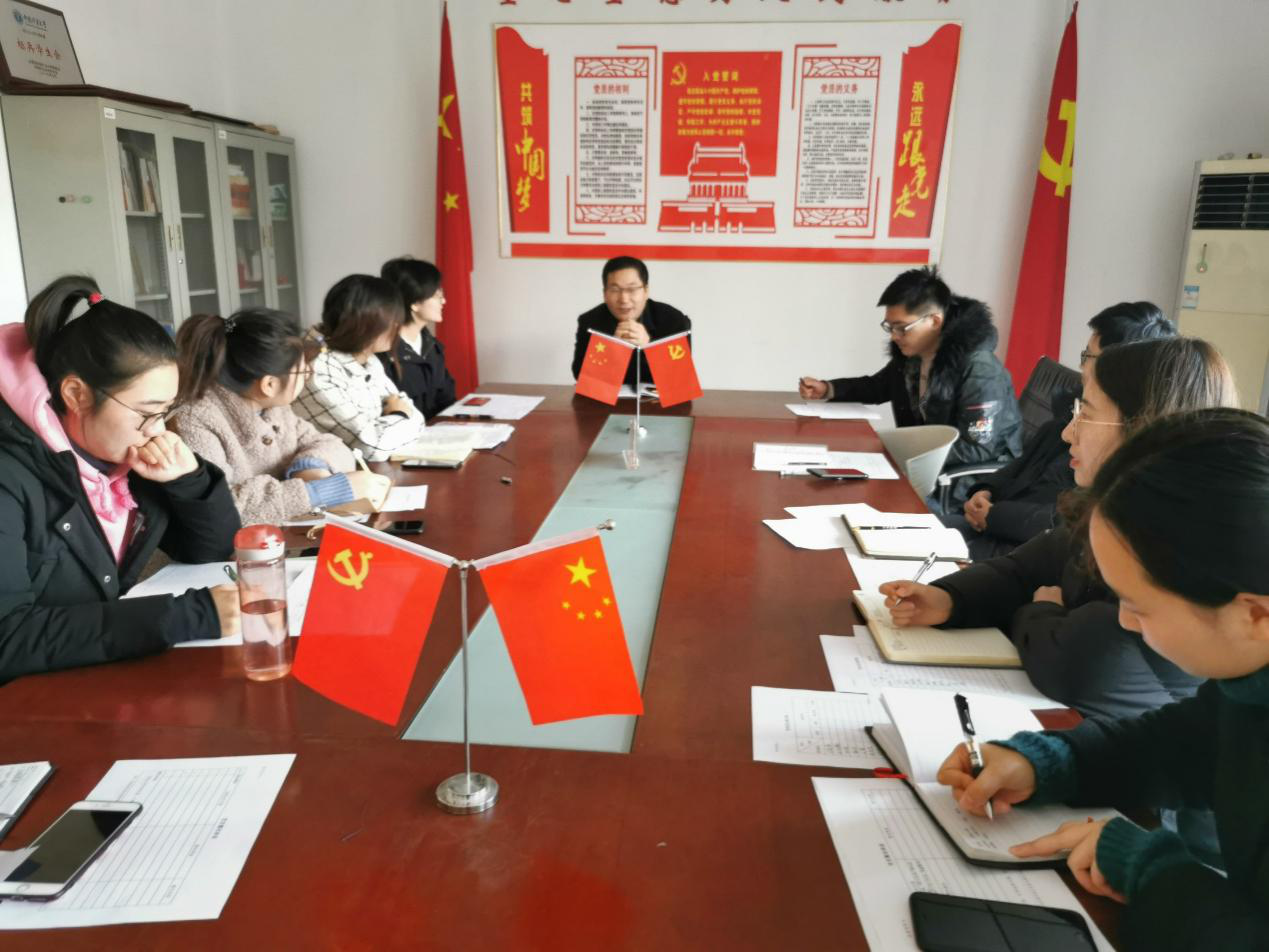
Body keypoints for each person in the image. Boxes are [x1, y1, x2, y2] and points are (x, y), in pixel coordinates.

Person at [937, 408, 1269, 951]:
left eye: (1139, 606)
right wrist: (1047, 762)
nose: (1126, 623)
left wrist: (1146, 867)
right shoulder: (1249, 681)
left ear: (1254, 615)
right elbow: (1179, 745)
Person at [879, 337, 1238, 719]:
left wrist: (1040, 612)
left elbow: (1085, 664)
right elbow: (1023, 569)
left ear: (1142, 427)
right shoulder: (1108, 508)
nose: (1068, 433)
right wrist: (950, 599)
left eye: (1087, 413)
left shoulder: (1181, 543)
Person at [0, 276, 241, 683]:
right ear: (76, 394)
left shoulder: (120, 455)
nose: (157, 429)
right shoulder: (11, 474)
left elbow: (211, 551)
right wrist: (182, 617)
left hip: (88, 677)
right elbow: (8, 638)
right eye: (146, 413)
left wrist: (189, 481)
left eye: (166, 410)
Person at [945, 302, 1177, 560]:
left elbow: (1064, 520)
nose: (1082, 367)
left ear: (1123, 369)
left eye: (1089, 357)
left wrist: (994, 515)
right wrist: (985, 489)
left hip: (1022, 546)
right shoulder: (1068, 410)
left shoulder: (1121, 450)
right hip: (993, 528)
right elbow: (1021, 463)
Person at [799, 266, 1022, 491]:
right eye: (890, 327)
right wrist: (828, 388)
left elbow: (978, 448)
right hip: (922, 467)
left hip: (970, 484)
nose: (894, 337)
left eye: (902, 328)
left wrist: (905, 454)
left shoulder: (980, 370)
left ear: (934, 321)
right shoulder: (914, 354)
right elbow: (878, 386)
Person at [170, 309, 386, 526]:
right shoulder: (196, 419)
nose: (309, 374)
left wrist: (310, 467)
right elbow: (223, 508)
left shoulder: (273, 408)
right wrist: (317, 492)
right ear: (269, 385)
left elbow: (327, 443)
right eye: (302, 372)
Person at [292, 274, 427, 461]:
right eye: (391, 321)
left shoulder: (367, 357)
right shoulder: (317, 369)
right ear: (363, 322)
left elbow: (417, 418)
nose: (397, 327)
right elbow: (370, 447)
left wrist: (394, 418)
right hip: (334, 472)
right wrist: (399, 414)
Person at [571, 256, 691, 387]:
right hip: (608, 399)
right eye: (615, 290)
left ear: (646, 291)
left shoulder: (673, 320)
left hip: (657, 400)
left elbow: (681, 378)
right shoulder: (590, 322)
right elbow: (581, 377)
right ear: (604, 293)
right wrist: (612, 348)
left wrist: (649, 347)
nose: (624, 299)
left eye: (632, 289)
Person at [379, 256, 457, 419]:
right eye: (436, 296)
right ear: (414, 303)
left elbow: (447, 400)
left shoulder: (432, 347)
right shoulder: (384, 351)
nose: (444, 301)